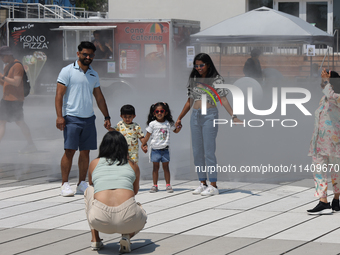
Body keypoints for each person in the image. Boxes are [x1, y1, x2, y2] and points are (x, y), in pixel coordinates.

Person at [175, 53, 242, 196]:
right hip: (195, 116)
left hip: (209, 116)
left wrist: (233, 116)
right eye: (196, 65)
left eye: (201, 65)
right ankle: (202, 183)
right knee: (197, 152)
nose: (199, 68)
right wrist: (180, 117)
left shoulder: (216, 80)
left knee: (209, 151)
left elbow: (223, 99)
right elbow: (189, 101)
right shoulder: (194, 79)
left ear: (208, 65)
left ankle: (213, 185)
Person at [55, 41, 111, 197]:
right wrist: (60, 116)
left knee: (85, 152)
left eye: (91, 55)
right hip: (71, 117)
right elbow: (59, 95)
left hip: (88, 119)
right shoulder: (67, 71)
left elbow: (99, 97)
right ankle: (65, 184)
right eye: (85, 54)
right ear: (78, 54)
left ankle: (81, 183)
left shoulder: (94, 74)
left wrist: (106, 116)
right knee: (69, 151)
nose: (88, 57)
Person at [85, 131, 147, 253]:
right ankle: (127, 236)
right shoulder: (133, 165)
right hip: (129, 219)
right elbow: (134, 191)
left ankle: (95, 239)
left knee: (90, 190)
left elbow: (92, 183)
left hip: (99, 219)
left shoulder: (94, 163)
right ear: (124, 147)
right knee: (142, 213)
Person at [307, 69, 340, 215]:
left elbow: (333, 96)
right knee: (318, 170)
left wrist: (328, 82)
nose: (323, 83)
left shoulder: (336, 96)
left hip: (334, 142)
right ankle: (323, 201)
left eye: (327, 81)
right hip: (319, 142)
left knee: (336, 171)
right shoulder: (324, 98)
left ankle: (337, 199)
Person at [0, 46, 36, 153]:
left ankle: (31, 144)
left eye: (2, 56)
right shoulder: (7, 67)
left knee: (18, 122)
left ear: (8, 55)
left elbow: (16, 82)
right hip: (6, 99)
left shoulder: (17, 66)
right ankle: (31, 145)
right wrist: (1, 79)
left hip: (14, 100)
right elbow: (5, 83)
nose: (1, 59)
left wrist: (2, 77)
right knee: (6, 122)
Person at [142, 102, 181, 193]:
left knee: (166, 167)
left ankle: (168, 185)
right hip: (155, 149)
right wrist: (143, 144)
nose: (159, 113)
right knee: (155, 168)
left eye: (162, 111)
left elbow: (175, 131)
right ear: (154, 113)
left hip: (165, 149)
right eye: (157, 111)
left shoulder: (168, 123)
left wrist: (179, 127)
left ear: (165, 113)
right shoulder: (152, 124)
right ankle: (155, 185)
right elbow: (147, 136)